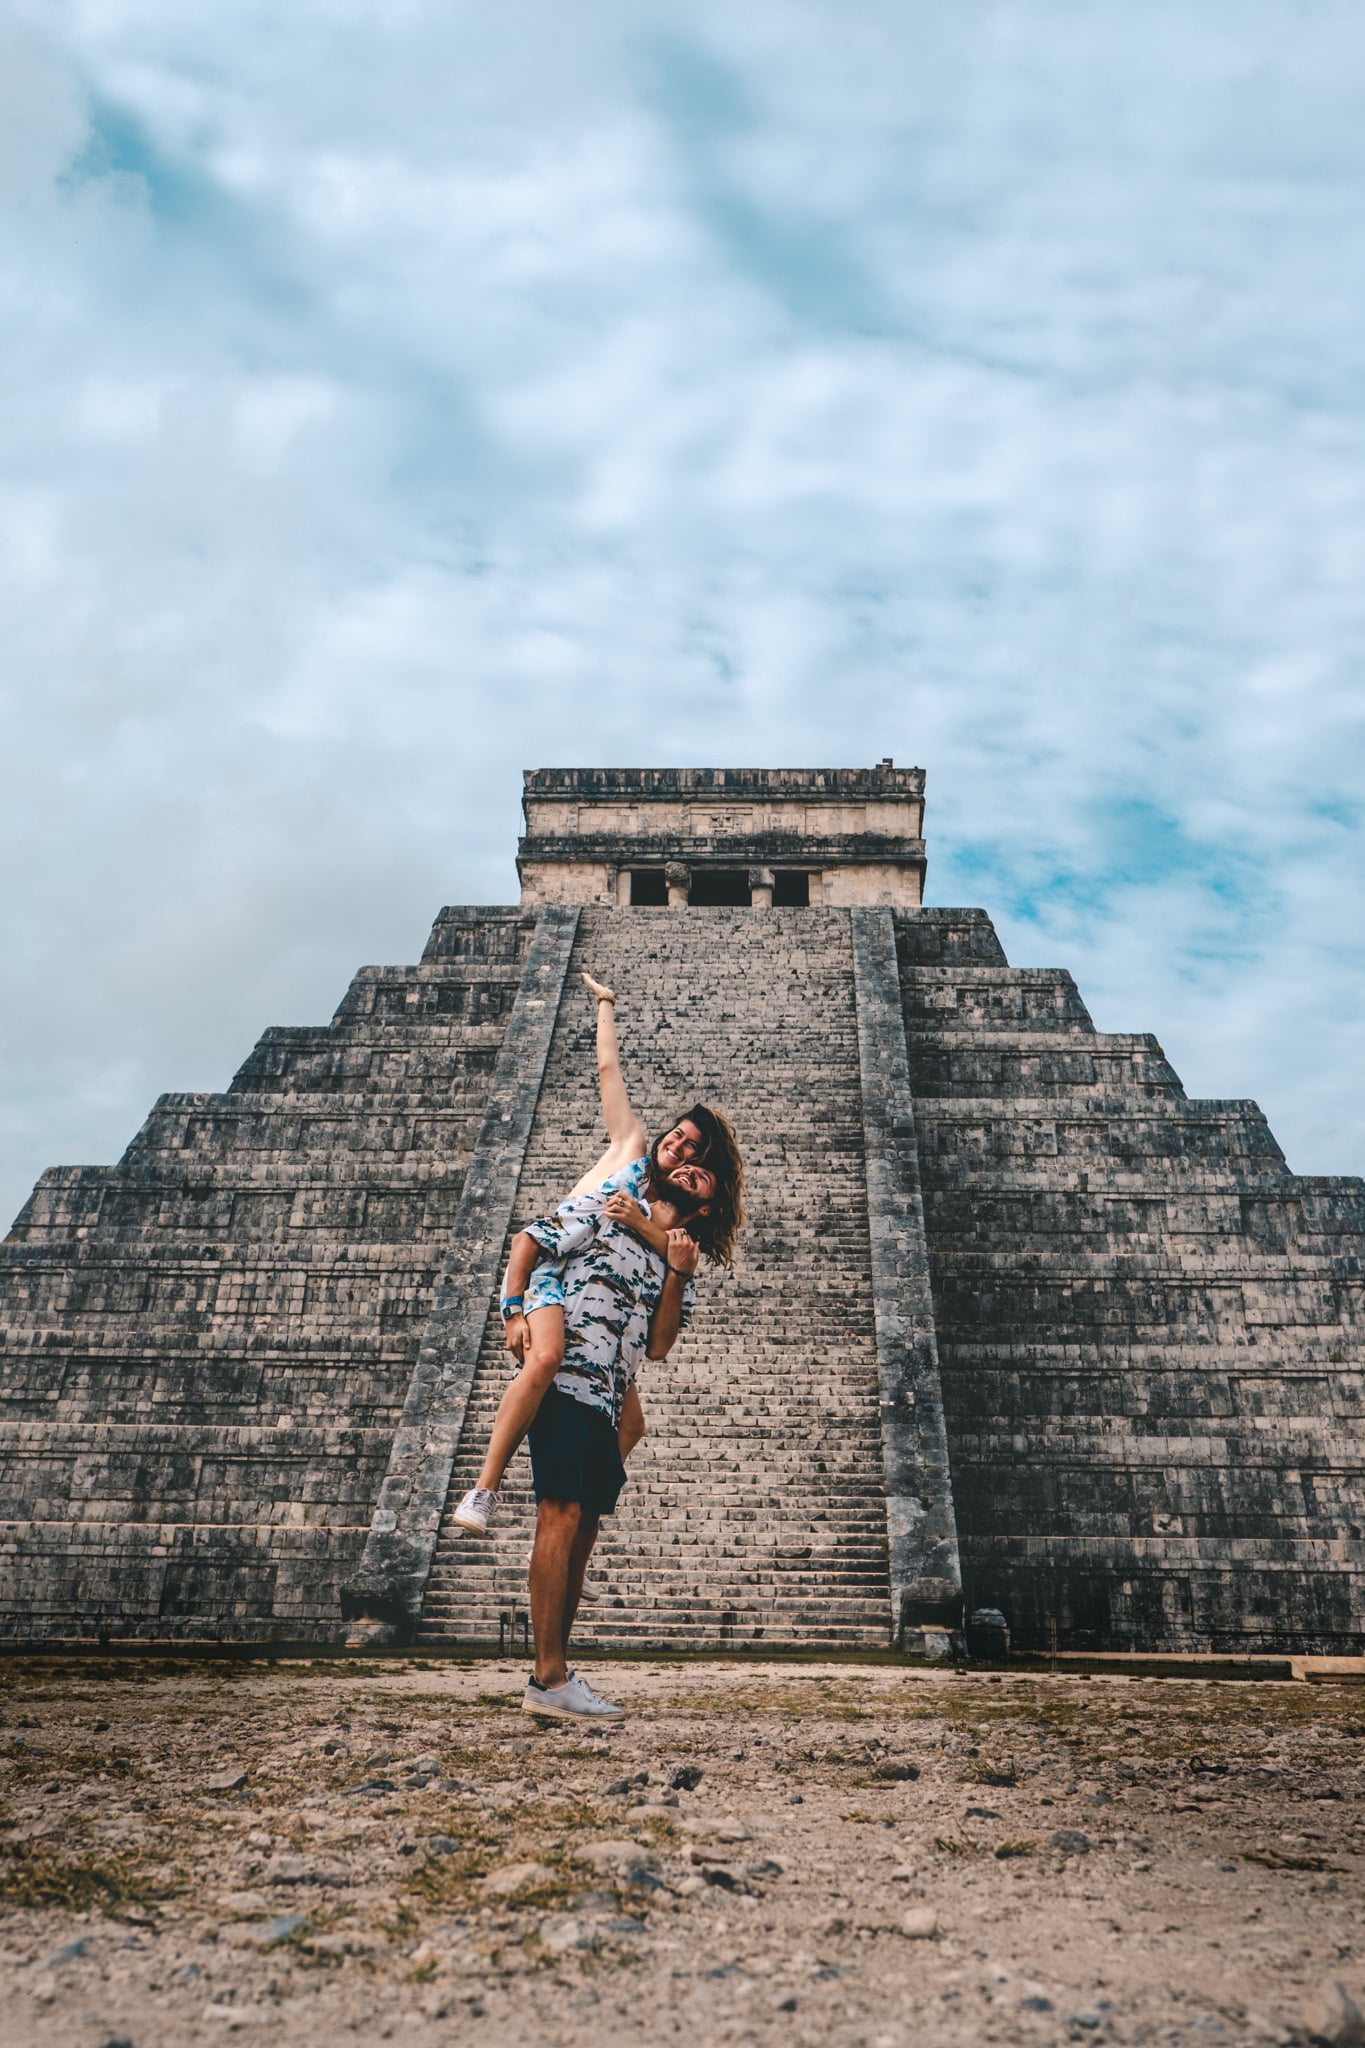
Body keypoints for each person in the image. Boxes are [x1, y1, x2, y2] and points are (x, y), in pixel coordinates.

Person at [451, 973, 742, 1533]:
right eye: (676, 1137)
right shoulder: (630, 1152)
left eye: (691, 1151)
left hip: (609, 1311)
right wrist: (605, 1005)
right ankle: (484, 1489)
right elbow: (609, 1072)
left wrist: (662, 1240)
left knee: (631, 1426)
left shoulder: (665, 1213)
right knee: (544, 1361)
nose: (676, 1149)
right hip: (560, 1272)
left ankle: (586, 1505)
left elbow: (667, 1254)